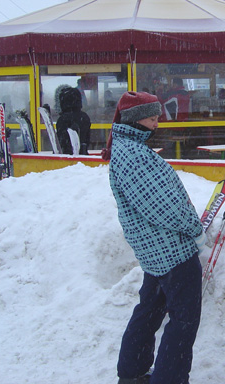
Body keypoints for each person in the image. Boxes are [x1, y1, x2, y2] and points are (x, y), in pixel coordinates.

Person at [102, 91, 205, 384]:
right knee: (183, 322)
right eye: (152, 117)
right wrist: (195, 229)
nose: (157, 124)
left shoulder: (127, 148)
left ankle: (133, 371)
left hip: (155, 252)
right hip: (172, 251)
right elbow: (164, 207)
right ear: (135, 120)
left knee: (149, 310)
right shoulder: (133, 155)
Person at [56, 87, 91, 154]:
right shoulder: (84, 117)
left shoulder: (63, 119)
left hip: (65, 158)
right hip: (83, 156)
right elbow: (86, 140)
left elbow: (61, 143)